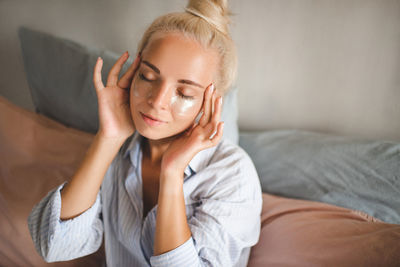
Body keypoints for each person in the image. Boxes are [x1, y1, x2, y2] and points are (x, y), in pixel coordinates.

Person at [27, 0, 262, 266]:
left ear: (209, 103)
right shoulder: (120, 155)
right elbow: (54, 246)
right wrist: (109, 138)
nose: (157, 100)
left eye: (184, 93)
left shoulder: (232, 174)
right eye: (148, 77)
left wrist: (172, 173)